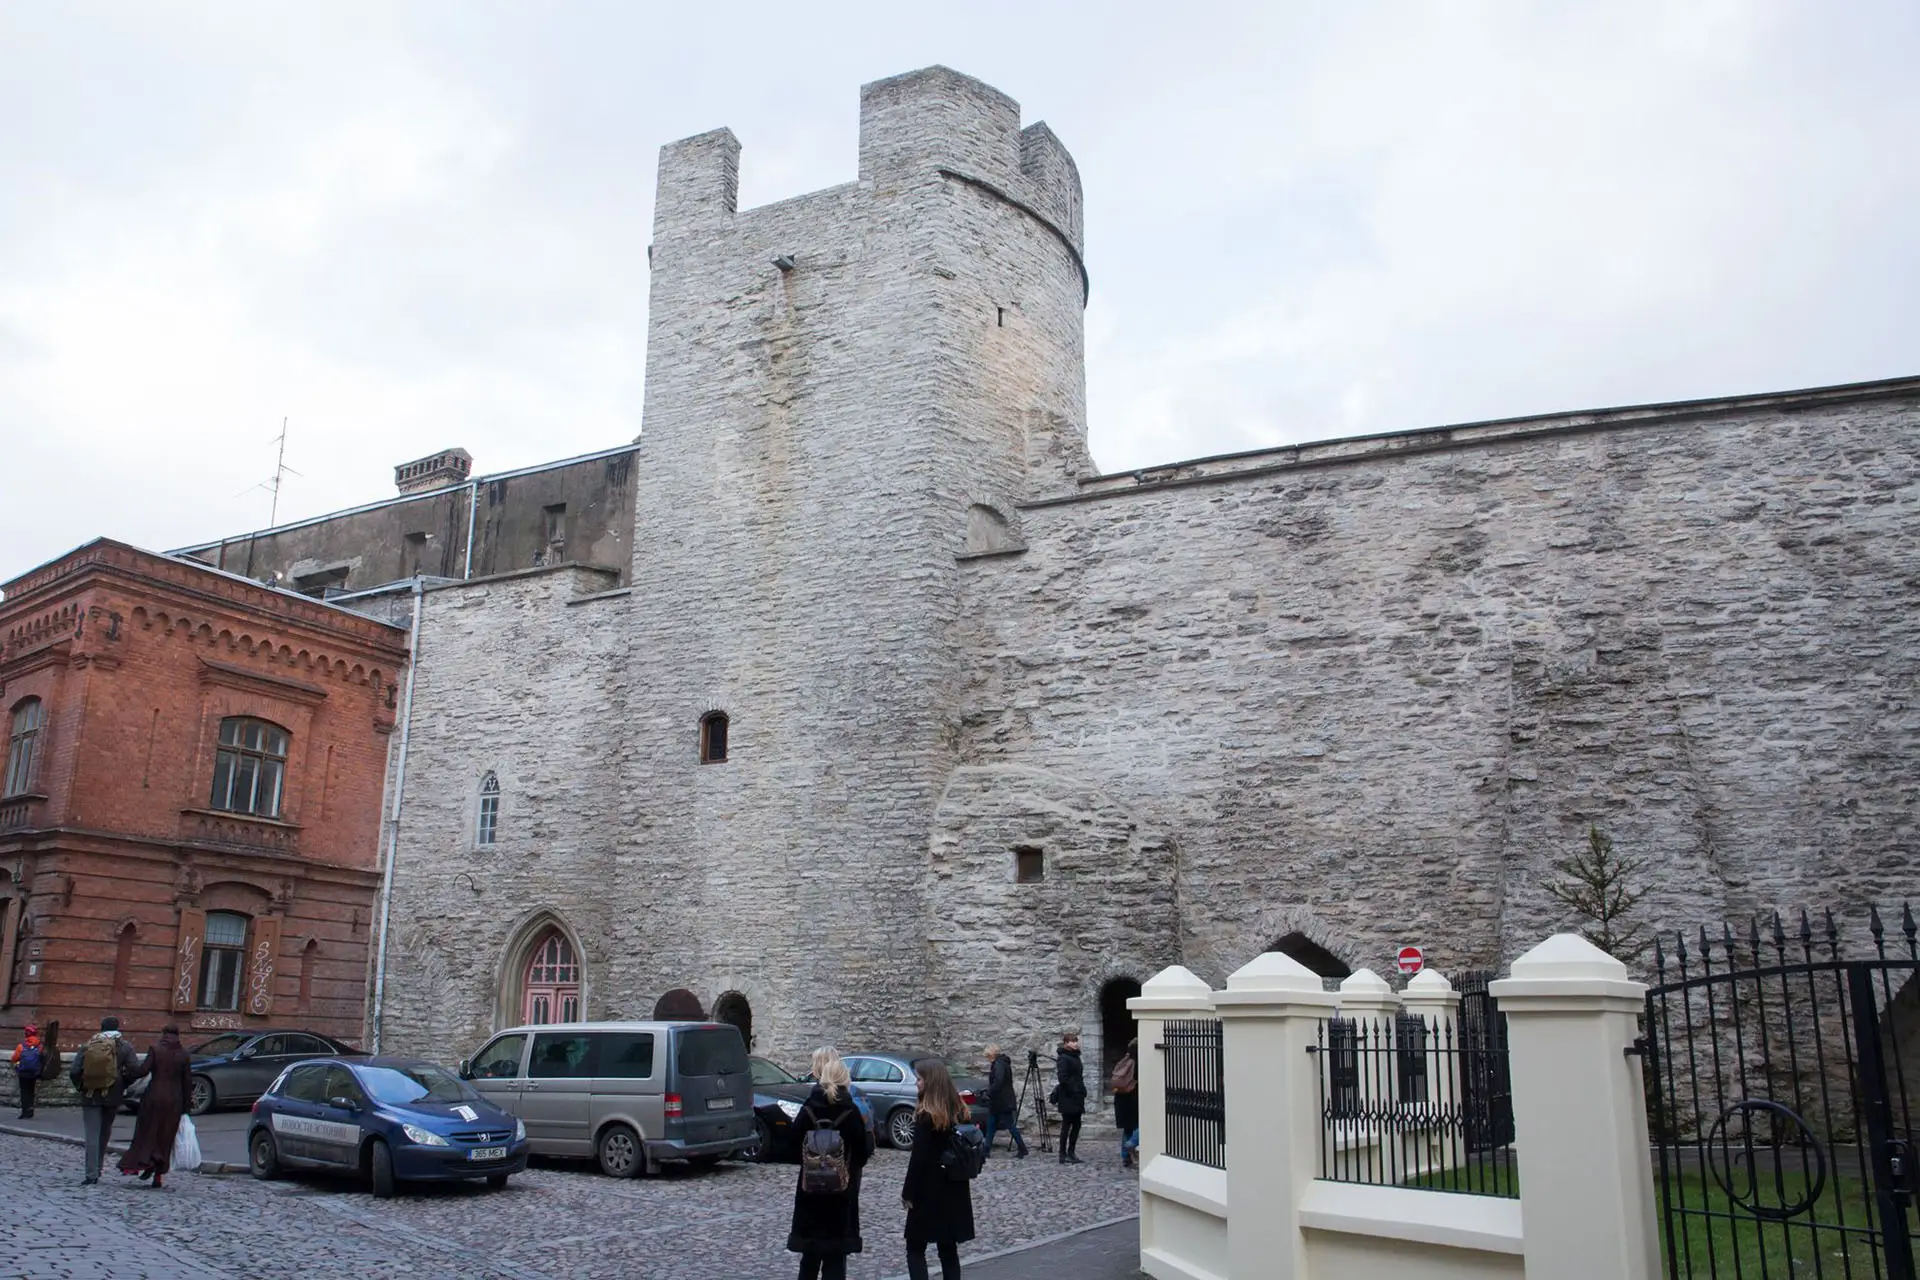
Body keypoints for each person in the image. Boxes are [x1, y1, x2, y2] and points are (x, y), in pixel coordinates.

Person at [786, 1047, 873, 1280]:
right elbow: (863, 1153)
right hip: (840, 1194)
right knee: (835, 1259)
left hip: (811, 1191)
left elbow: (791, 1146)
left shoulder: (809, 1107)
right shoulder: (851, 1111)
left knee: (809, 1259)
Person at [901, 1059, 975, 1280]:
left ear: (930, 1082)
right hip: (953, 1187)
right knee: (948, 1249)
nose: (917, 1083)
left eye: (920, 1079)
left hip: (928, 1189)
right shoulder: (958, 1111)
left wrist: (908, 1193)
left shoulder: (927, 1116)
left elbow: (919, 1159)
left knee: (915, 1247)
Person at [119, 1025, 193, 1189]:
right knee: (165, 1138)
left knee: (147, 1133)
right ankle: (158, 1176)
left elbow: (142, 1071)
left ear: (164, 1034)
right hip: (174, 1101)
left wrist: (126, 1072)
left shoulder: (155, 1050)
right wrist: (186, 1108)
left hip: (153, 1097)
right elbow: (187, 1082)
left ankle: (143, 1163)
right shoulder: (184, 1054)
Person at [68, 1015, 138, 1185]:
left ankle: (91, 1174)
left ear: (101, 1028)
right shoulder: (125, 1046)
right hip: (113, 1095)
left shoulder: (89, 1044)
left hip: (90, 1094)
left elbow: (74, 1071)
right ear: (117, 1028)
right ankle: (98, 1168)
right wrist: (123, 1084)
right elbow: (135, 1070)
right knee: (104, 1132)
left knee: (92, 1135)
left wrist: (81, 1086)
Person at [980, 1044, 1028, 1159]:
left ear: (991, 1054)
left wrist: (988, 1092)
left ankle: (1022, 1148)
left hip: (1002, 1101)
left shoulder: (999, 1064)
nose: (987, 1059)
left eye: (988, 1056)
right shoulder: (1002, 1063)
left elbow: (998, 1082)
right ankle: (986, 1150)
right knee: (992, 1126)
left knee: (1008, 1126)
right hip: (1000, 1101)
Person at [1050, 1032, 1086, 1165]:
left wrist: (1081, 1090)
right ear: (1066, 1043)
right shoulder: (1063, 1058)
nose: (1075, 1043)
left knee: (1076, 1125)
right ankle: (1063, 1153)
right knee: (1066, 1125)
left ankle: (1071, 1152)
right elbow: (1063, 1078)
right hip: (1068, 1096)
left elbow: (1078, 1076)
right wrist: (1074, 1089)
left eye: (1076, 1041)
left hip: (1077, 1096)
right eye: (1072, 1041)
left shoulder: (1076, 1056)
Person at [1111, 1038, 1140, 1169]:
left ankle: (1125, 1156)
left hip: (1121, 1098)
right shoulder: (1138, 1062)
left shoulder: (1124, 1060)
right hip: (1133, 1097)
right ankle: (1131, 1143)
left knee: (1128, 1128)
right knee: (1143, 1124)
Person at [11, 1023, 47, 1119]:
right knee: (31, 1090)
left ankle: (25, 1112)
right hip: (34, 1072)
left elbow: (14, 1058)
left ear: (26, 1034)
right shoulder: (40, 1046)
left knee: (24, 1092)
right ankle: (30, 1110)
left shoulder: (21, 1046)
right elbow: (43, 1058)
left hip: (23, 1072)